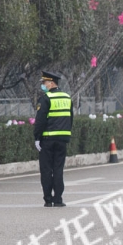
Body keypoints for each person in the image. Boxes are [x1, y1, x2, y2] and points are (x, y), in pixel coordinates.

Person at [34, 70, 73, 208]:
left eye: (44, 83)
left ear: (51, 83)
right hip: (62, 140)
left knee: (46, 170)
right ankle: (58, 199)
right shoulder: (67, 97)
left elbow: (40, 121)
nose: (43, 85)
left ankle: (48, 199)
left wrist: (37, 138)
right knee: (58, 169)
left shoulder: (46, 98)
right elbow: (70, 119)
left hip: (47, 140)